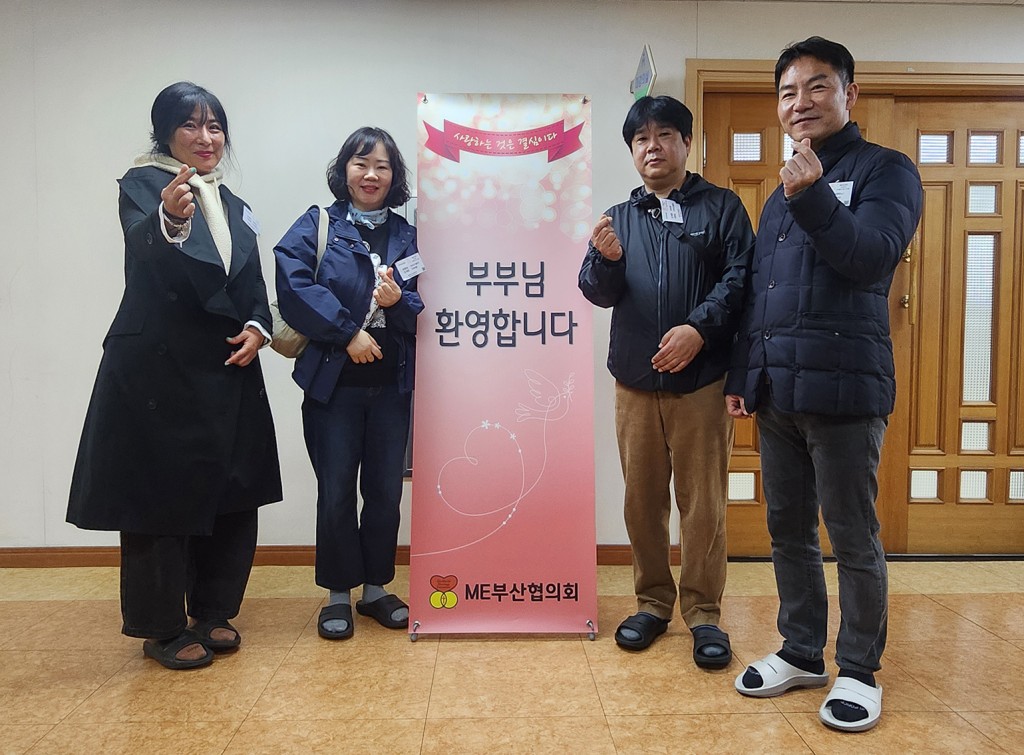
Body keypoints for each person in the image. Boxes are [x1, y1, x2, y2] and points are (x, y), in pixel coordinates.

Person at [726, 37, 923, 732]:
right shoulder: (781, 193)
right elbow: (761, 293)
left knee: (852, 534)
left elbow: (870, 258)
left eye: (817, 86)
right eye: (788, 92)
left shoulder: (886, 170)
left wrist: (811, 196)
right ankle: (801, 650)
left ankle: (860, 669)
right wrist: (745, 375)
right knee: (787, 530)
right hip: (778, 392)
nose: (800, 102)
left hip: (845, 393)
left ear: (849, 94)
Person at [67, 82, 282, 670]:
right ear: (165, 132)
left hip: (227, 364)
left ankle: (213, 609)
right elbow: (145, 248)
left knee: (233, 491)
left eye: (215, 126)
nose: (205, 137)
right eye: (190, 124)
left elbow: (250, 281)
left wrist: (258, 327)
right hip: (157, 371)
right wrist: (169, 217)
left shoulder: (234, 203)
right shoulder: (143, 185)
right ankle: (160, 626)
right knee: (158, 497)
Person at [579, 96, 754, 667]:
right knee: (641, 501)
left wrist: (699, 329)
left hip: (702, 381)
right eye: (640, 139)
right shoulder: (618, 217)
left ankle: (704, 613)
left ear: (686, 142)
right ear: (632, 152)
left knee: (703, 504)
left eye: (664, 135)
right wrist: (605, 260)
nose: (652, 147)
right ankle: (652, 603)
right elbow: (595, 291)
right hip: (634, 381)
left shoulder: (722, 208)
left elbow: (741, 280)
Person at [274, 127, 423, 640]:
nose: (371, 175)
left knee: (384, 491)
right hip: (333, 387)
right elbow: (294, 286)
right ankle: (338, 594)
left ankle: (376, 589)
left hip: (392, 388)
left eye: (382, 166)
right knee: (336, 491)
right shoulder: (318, 224)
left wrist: (397, 303)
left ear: (394, 176)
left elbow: (422, 306)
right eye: (361, 164)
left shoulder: (408, 235)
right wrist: (348, 333)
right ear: (345, 171)